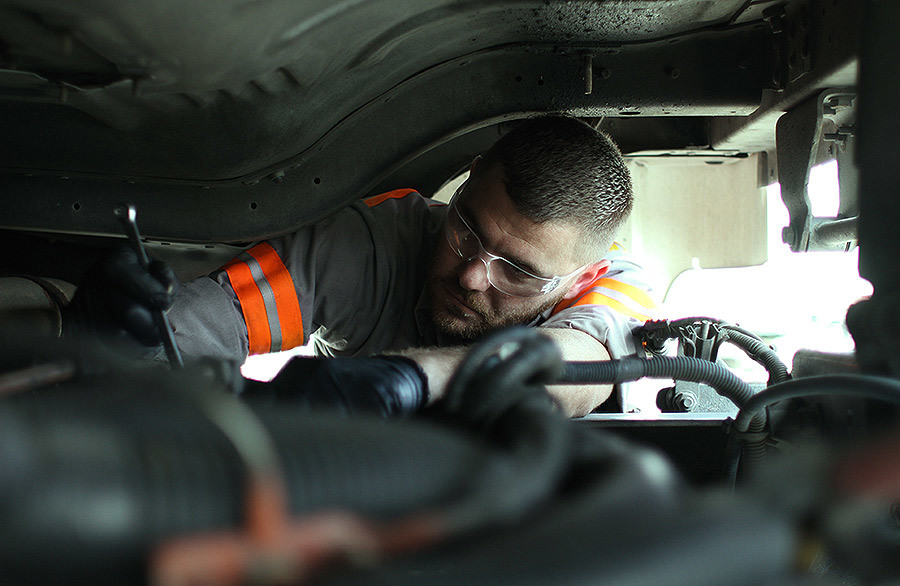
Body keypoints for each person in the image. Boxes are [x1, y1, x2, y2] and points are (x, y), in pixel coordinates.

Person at [69, 116, 657, 416]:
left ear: (581, 276)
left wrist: (408, 378)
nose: (473, 274)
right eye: (468, 230)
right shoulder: (372, 242)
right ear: (470, 177)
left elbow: (579, 371)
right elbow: (205, 328)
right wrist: (129, 335)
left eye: (518, 271)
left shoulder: (614, 289)